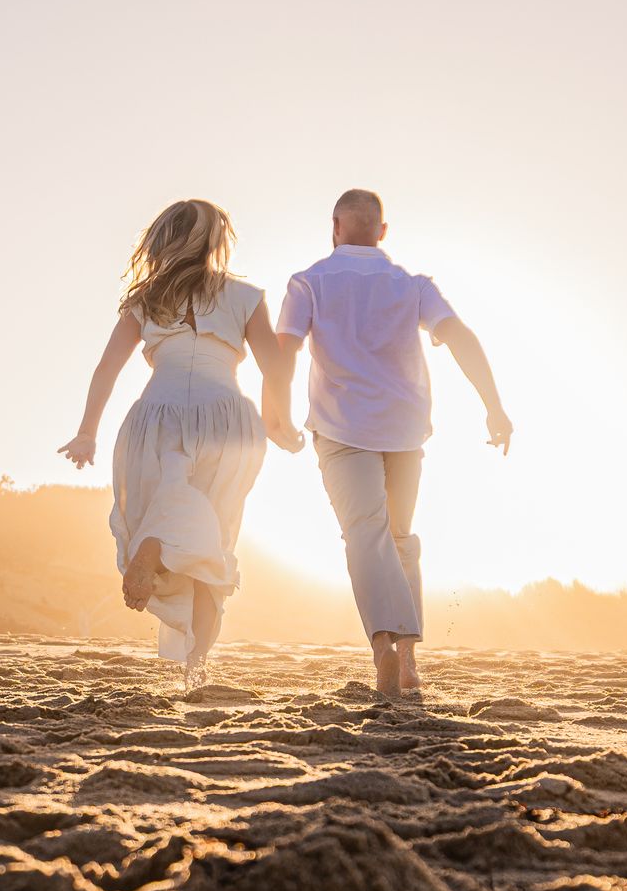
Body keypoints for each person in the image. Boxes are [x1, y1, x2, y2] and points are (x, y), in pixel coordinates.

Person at [273, 188, 512, 697]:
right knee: (399, 536)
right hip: (404, 431)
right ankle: (408, 664)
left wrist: (275, 411)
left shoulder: (308, 282)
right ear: (383, 231)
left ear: (334, 226)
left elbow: (285, 349)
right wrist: (494, 406)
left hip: (341, 429)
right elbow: (462, 338)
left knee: (365, 532)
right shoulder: (414, 285)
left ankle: (382, 644)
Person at [59, 199, 301, 686]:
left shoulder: (145, 300)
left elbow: (107, 368)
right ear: (217, 242)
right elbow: (275, 366)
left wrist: (88, 431)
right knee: (216, 537)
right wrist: (282, 422)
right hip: (227, 419)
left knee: (170, 505)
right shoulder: (246, 296)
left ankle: (154, 545)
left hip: (156, 415)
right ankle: (196, 665)